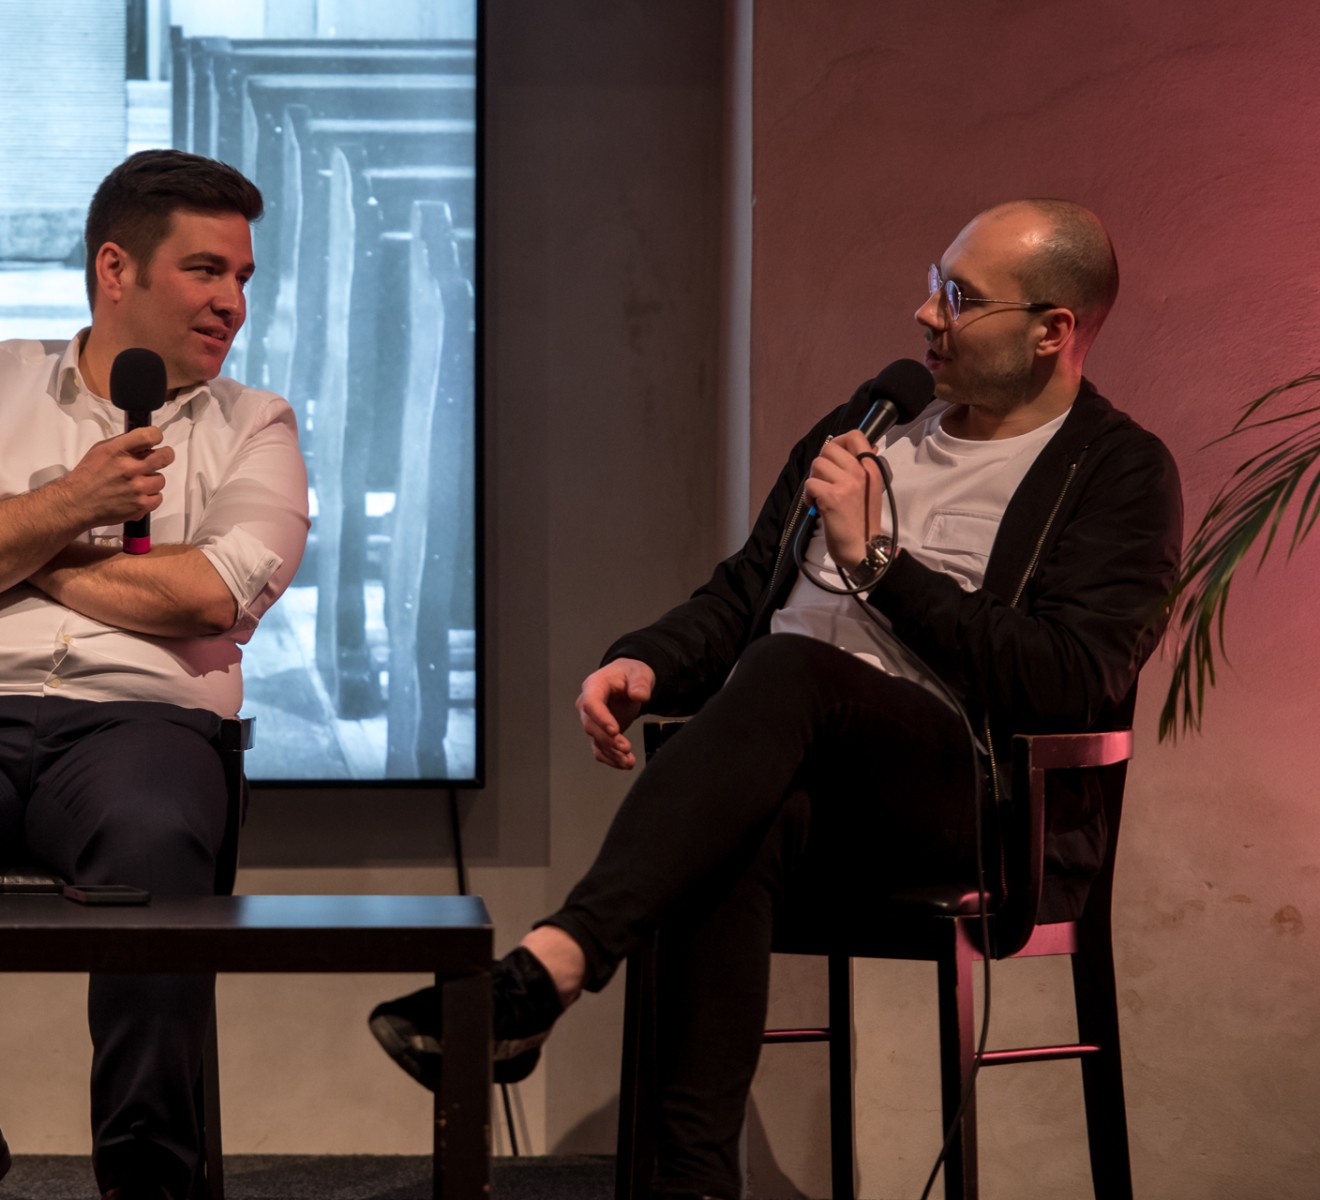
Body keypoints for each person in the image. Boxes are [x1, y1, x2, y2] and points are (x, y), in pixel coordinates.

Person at [368, 199, 1182, 1199]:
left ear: (1053, 329)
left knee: (792, 672)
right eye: (934, 284)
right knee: (739, 821)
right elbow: (745, 593)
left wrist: (877, 564)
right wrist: (648, 664)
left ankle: (554, 966)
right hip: (800, 779)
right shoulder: (869, 427)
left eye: (961, 298)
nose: (925, 313)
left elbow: (1069, 677)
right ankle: (692, 1183)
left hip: (967, 803)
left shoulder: (1118, 471)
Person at [0, 150, 309, 1200]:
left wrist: (12, 543)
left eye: (243, 278)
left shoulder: (256, 423)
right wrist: (75, 506)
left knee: (157, 849)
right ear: (115, 269)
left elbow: (211, 595)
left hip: (144, 726)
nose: (232, 302)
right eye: (206, 270)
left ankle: (146, 1179)